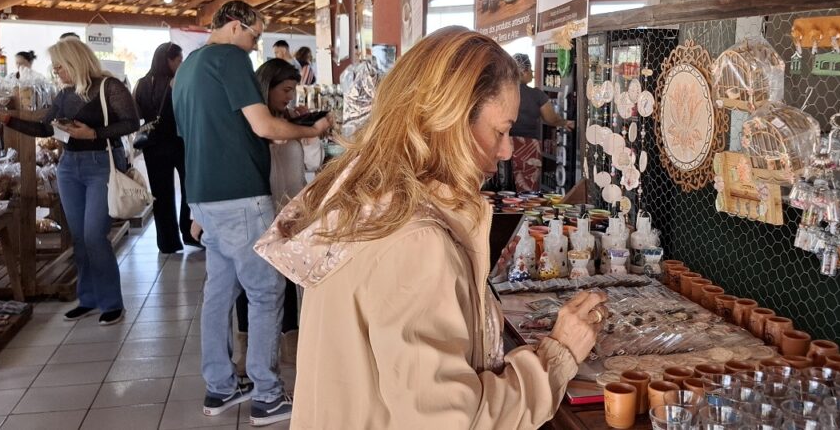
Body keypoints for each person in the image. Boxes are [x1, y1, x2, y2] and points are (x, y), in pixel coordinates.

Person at [253, 27, 607, 429]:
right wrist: (557, 356)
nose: (508, 149)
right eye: (501, 131)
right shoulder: (415, 239)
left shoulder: (365, 196)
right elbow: (450, 420)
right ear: (448, 121)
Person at [172, 0, 331, 427]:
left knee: (218, 294)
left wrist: (193, 205)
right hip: (241, 195)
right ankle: (267, 395)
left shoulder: (188, 67)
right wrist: (310, 130)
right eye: (254, 36)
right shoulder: (230, 57)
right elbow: (263, 126)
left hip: (205, 195)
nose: (255, 45)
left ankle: (220, 386)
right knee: (264, 294)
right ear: (236, 25)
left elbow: (194, 137)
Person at [0, 39, 140, 326]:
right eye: (54, 70)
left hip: (101, 165)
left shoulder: (109, 87)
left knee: (94, 235)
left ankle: (112, 302)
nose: (57, 74)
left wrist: (93, 134)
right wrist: (3, 117)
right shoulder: (65, 93)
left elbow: (131, 122)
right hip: (69, 168)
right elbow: (44, 127)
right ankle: (88, 298)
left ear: (75, 61)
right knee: (79, 237)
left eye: (60, 68)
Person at [232, 60, 316, 373]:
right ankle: (248, 349)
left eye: (293, 90)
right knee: (251, 284)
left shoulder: (291, 122)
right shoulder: (252, 127)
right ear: (266, 88)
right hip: (258, 210)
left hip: (292, 211)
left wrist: (308, 133)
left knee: (289, 277)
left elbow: (309, 164)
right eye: (285, 90)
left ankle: (290, 344)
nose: (290, 97)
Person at [134, 42, 196, 254]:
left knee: (161, 194)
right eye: (178, 60)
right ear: (169, 60)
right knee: (190, 189)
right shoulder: (176, 82)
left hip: (152, 146)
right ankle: (189, 232)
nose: (180, 65)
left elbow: (137, 115)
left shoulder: (141, 84)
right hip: (178, 142)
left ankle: (167, 242)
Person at [509, 53, 573, 192]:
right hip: (528, 146)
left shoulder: (502, 91)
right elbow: (551, 118)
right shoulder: (537, 95)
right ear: (524, 71)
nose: (532, 74)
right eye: (531, 71)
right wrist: (564, 122)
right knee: (528, 185)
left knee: (507, 181)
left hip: (506, 144)